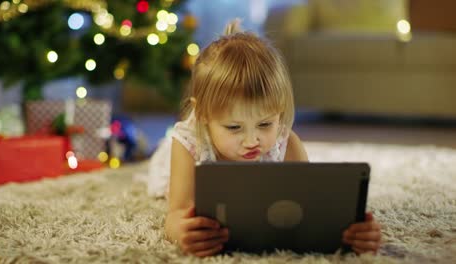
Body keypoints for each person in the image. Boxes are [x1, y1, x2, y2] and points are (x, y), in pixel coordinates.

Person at [145, 19, 381, 257]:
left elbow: (311, 209)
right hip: (180, 155)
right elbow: (176, 213)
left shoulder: (286, 143)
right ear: (204, 114)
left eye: (265, 124)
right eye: (234, 127)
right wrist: (182, 232)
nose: (251, 141)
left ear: (279, 111)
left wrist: (353, 231)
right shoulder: (187, 144)